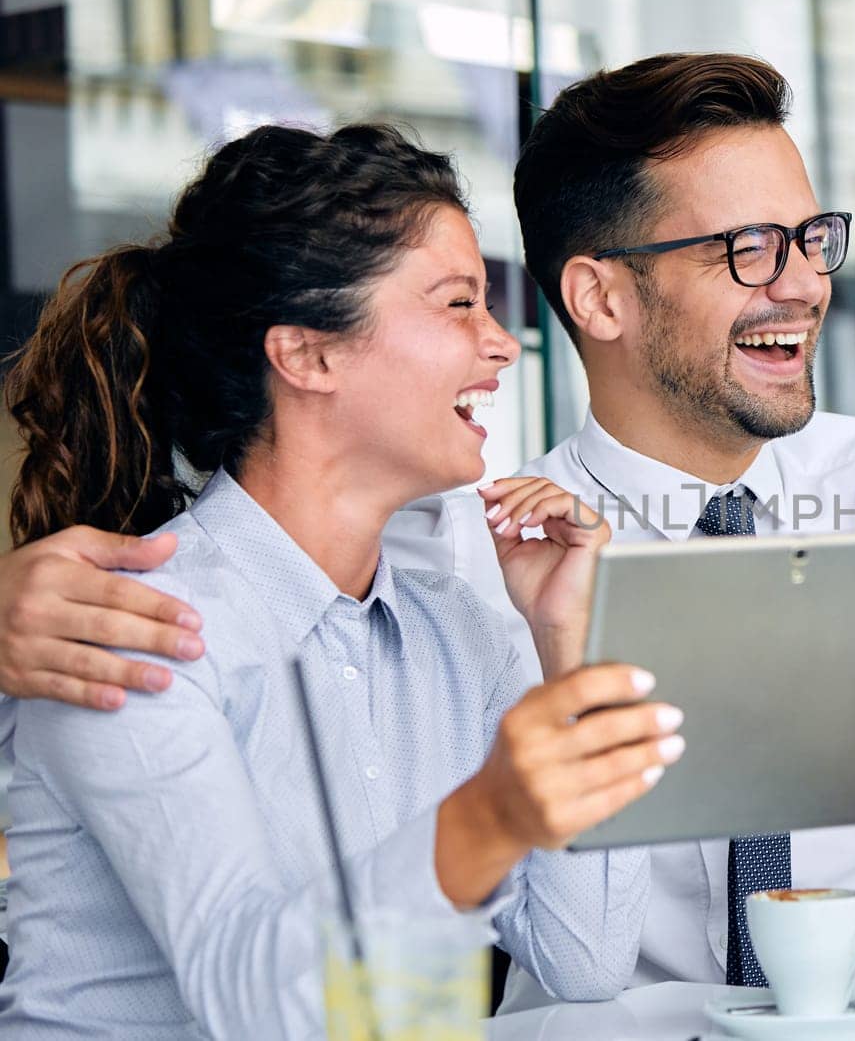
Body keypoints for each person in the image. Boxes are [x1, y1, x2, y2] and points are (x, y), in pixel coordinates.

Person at [0, 53, 855, 1036]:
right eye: (750, 248)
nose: (807, 281)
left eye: (812, 239)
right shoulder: (452, 547)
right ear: (599, 296)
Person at [0, 123, 684, 1037]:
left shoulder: (465, 634)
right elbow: (253, 1000)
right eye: (457, 304)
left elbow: (587, 959)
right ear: (309, 355)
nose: (501, 344)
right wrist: (485, 820)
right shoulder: (128, 628)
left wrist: (569, 643)